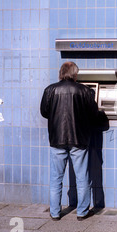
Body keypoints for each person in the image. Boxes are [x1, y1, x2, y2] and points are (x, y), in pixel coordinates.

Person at [40, 61, 99, 221]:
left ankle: (55, 213)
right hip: (78, 139)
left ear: (61, 73)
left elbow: (44, 112)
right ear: (75, 74)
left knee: (56, 178)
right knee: (82, 177)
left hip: (57, 139)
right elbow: (93, 114)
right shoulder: (85, 91)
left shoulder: (50, 90)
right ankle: (82, 212)